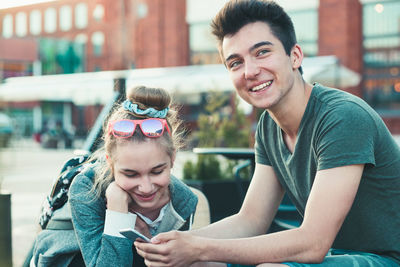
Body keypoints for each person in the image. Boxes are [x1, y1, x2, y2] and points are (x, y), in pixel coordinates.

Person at [135, 1, 400, 266]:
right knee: (196, 262)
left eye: (262, 52)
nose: (250, 71)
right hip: (335, 255)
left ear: (295, 56)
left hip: (386, 258)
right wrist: (176, 244)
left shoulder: (341, 117)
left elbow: (313, 242)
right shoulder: (269, 127)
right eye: (236, 63)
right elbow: (251, 220)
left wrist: (199, 247)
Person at [66, 86, 201, 267]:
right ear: (111, 163)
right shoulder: (86, 189)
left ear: (172, 159)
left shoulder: (183, 203)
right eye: (130, 174)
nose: (145, 187)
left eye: (157, 171)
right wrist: (117, 212)